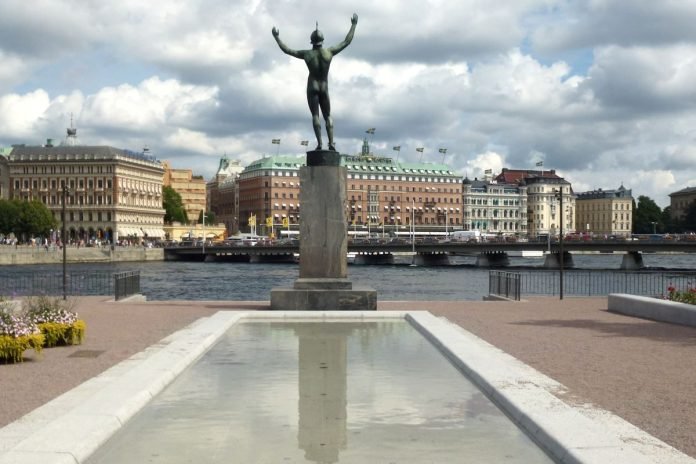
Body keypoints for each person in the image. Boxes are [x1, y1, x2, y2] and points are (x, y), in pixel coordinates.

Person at [272, 14, 358, 151]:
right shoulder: (329, 52)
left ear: (311, 41)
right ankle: (331, 143)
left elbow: (287, 50)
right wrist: (354, 25)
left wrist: (276, 37)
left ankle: (319, 144)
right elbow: (347, 41)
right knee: (328, 116)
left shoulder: (307, 54)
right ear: (322, 41)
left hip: (312, 86)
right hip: (324, 87)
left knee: (315, 115)